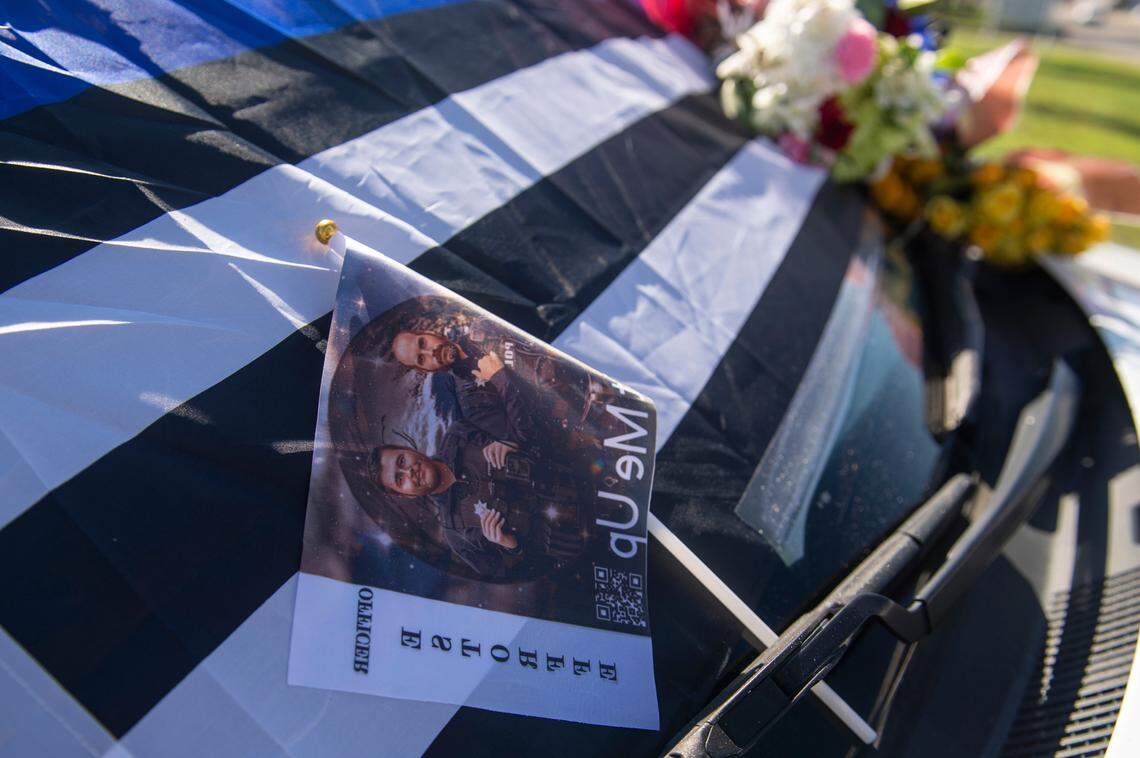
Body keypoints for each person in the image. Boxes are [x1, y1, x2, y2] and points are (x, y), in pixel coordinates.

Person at [370, 418, 587, 580]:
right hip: (583, 544)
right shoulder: (456, 535)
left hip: (586, 477)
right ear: (403, 495)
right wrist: (509, 545)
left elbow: (538, 426)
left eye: (402, 461)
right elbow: (517, 575)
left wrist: (515, 443)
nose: (409, 472)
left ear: (408, 449)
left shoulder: (460, 433)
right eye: (400, 479)